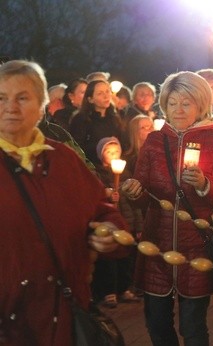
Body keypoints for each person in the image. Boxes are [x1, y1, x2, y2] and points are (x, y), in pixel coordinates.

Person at [0, 60, 125, 344]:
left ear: (41, 105)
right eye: (1, 98)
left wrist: (109, 233)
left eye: (22, 97)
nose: (10, 107)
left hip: (63, 315)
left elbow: (101, 210)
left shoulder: (64, 159)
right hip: (9, 325)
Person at [121, 71, 213, 346]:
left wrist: (206, 186)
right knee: (156, 322)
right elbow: (144, 198)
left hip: (197, 248)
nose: (178, 109)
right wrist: (133, 192)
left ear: (201, 105)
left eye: (186, 103)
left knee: (193, 326)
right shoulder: (154, 142)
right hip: (158, 246)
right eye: (172, 102)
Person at [91, 137, 141, 308]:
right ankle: (109, 291)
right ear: (101, 154)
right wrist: (107, 194)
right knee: (109, 259)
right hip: (109, 223)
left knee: (125, 258)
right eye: (109, 152)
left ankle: (124, 288)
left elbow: (134, 204)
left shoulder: (126, 174)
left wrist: (139, 225)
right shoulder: (98, 174)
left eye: (116, 151)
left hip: (127, 222)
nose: (113, 155)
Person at [69, 79, 123, 165]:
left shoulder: (114, 118)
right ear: (90, 99)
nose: (106, 96)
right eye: (100, 93)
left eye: (107, 91)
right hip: (92, 167)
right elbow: (77, 148)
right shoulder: (81, 120)